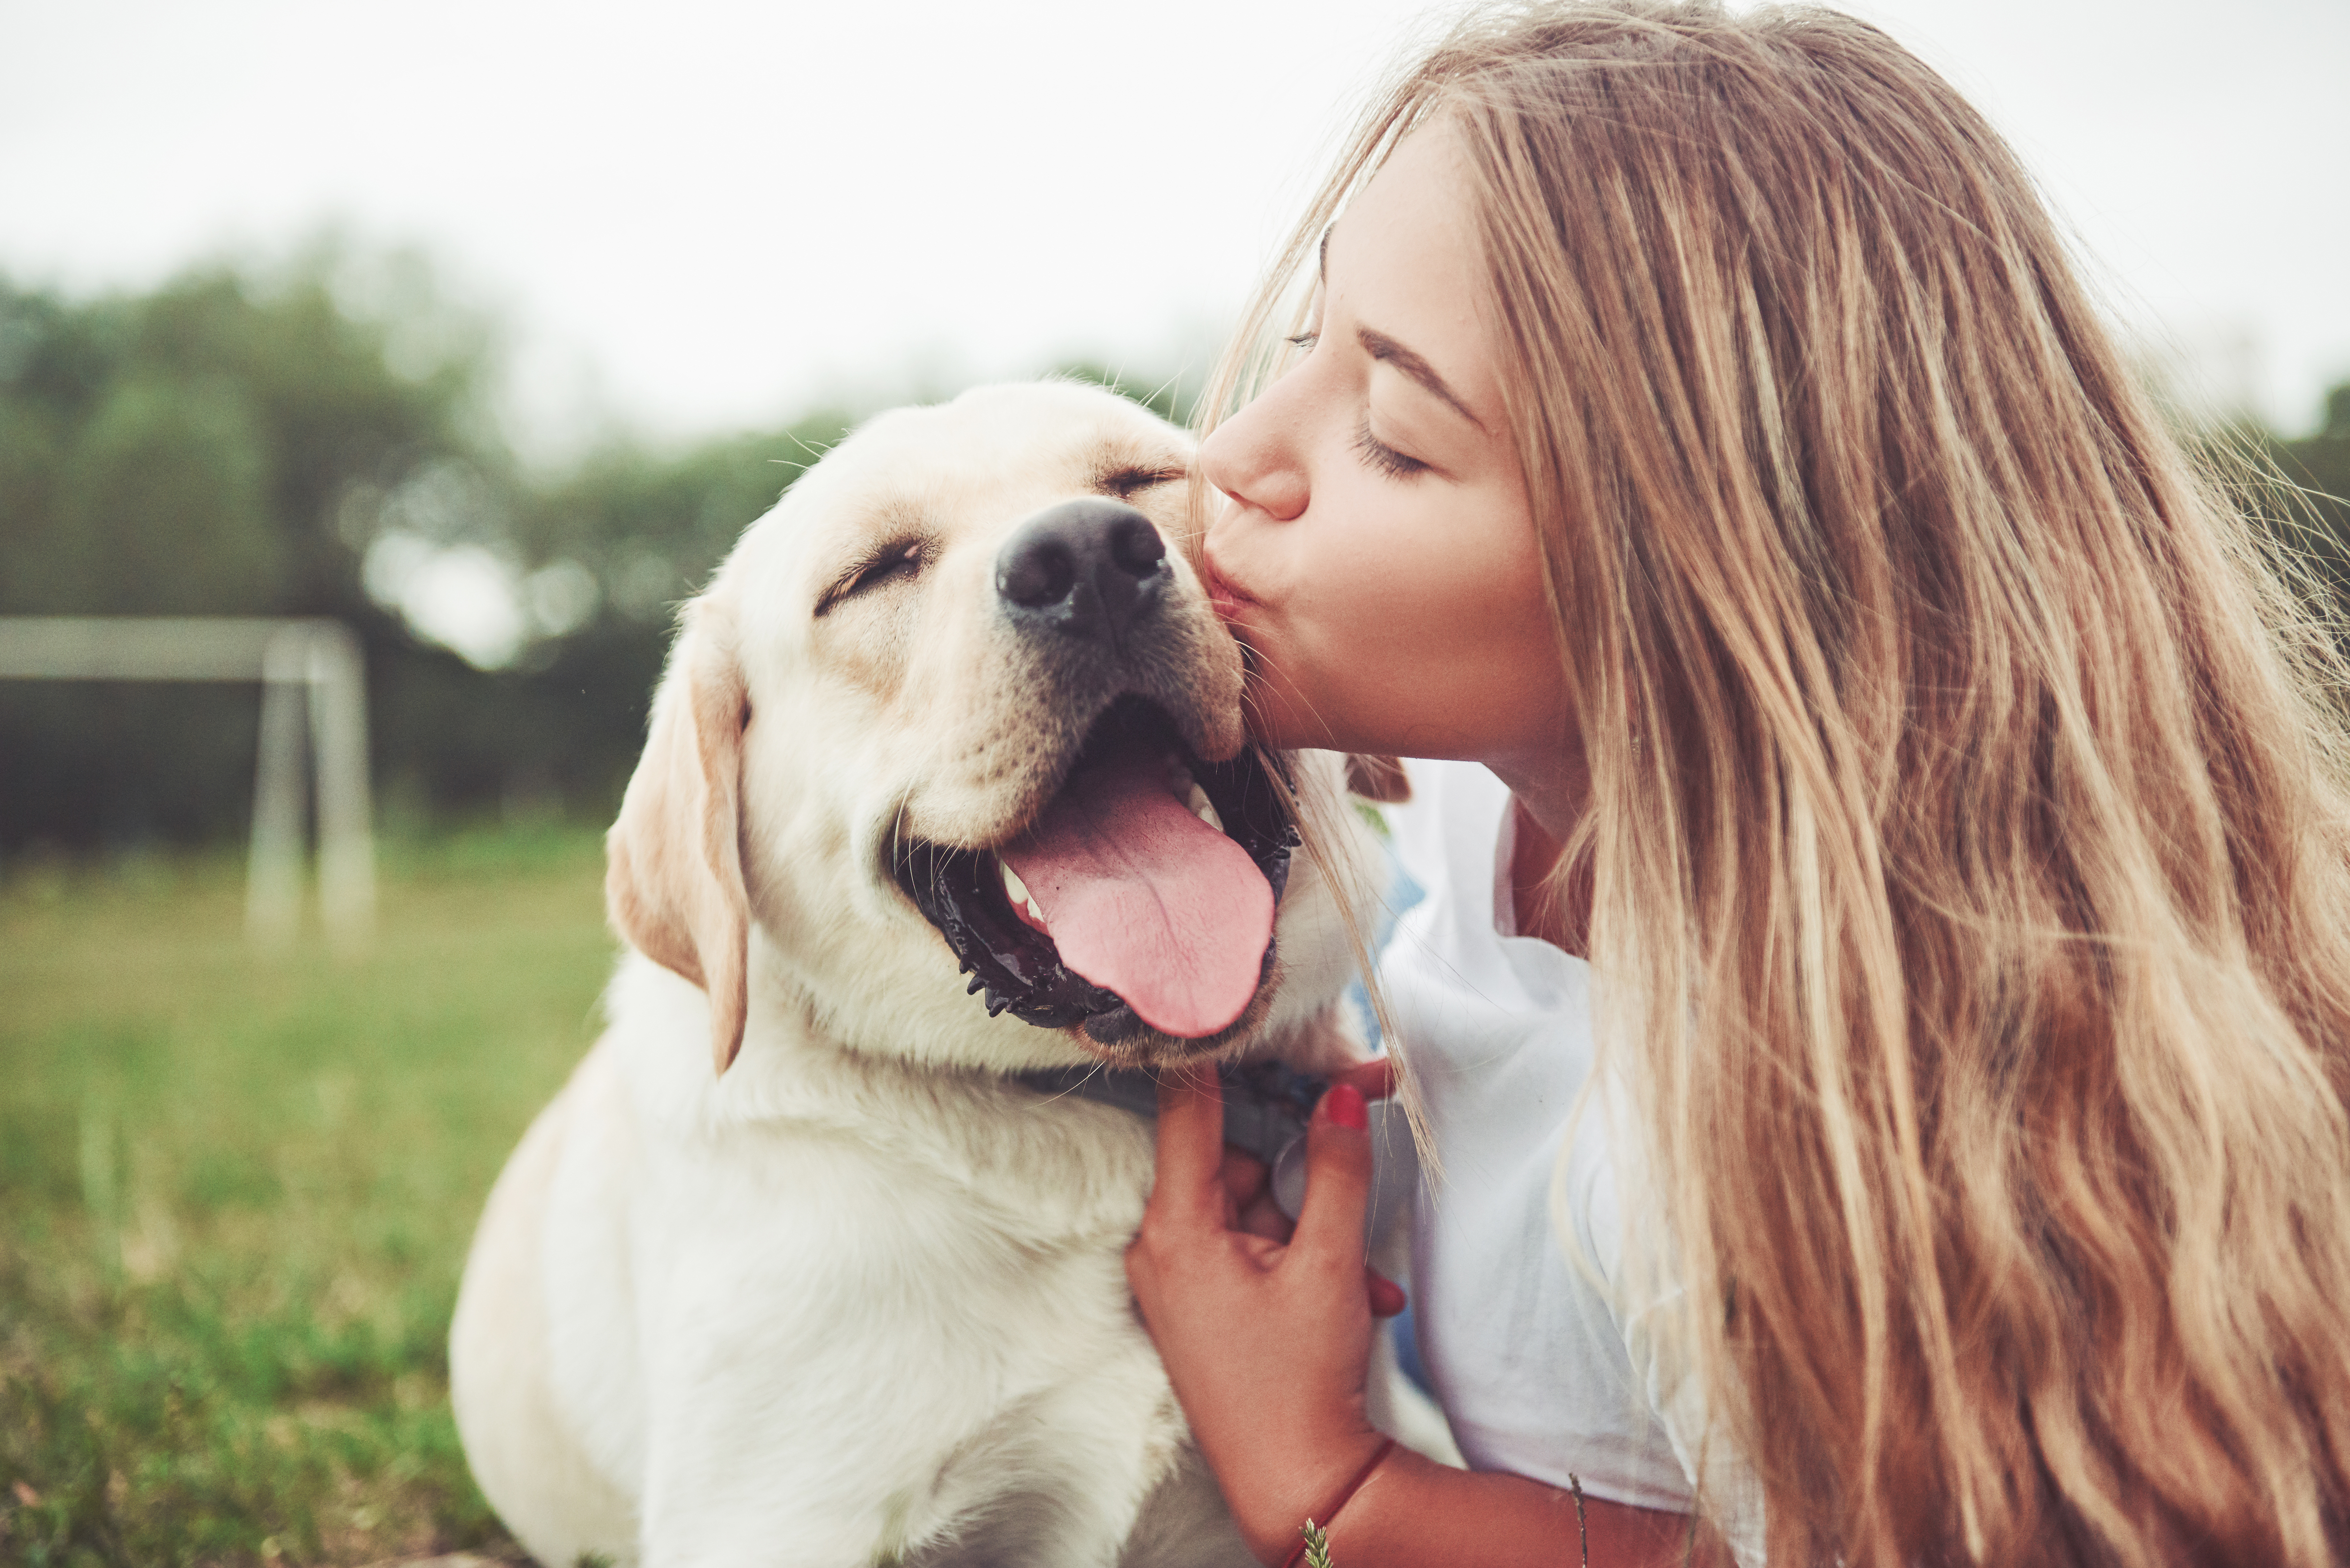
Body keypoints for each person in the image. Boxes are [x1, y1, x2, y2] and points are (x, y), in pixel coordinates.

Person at [1120, 4, 2350, 1565]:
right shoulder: (1486, 794)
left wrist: (1341, 1488)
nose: (1231, 457)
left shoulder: (1836, 1109)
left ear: (1691, 582)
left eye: (1395, 437)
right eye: (1310, 343)